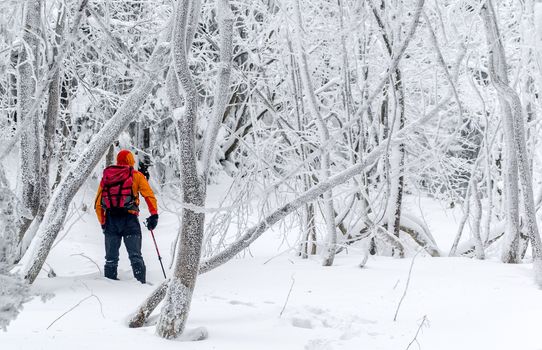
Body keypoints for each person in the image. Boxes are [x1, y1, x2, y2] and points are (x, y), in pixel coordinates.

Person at [94, 149, 159, 283]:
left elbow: (98, 204)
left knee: (111, 258)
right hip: (130, 220)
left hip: (111, 220)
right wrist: (154, 215)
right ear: (130, 161)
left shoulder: (107, 176)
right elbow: (149, 195)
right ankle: (140, 284)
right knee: (135, 256)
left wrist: (103, 223)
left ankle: (110, 285)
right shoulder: (136, 175)